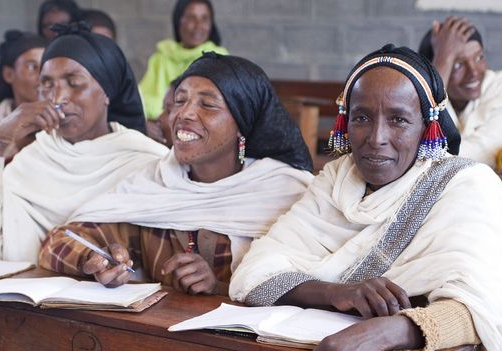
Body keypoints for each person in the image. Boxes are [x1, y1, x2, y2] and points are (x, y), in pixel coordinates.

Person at [230, 45, 502, 351]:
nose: (377, 137)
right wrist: (337, 292)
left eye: (398, 120)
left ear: (427, 126)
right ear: (345, 122)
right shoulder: (335, 179)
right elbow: (253, 274)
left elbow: (481, 309)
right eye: (362, 118)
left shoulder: (467, 185)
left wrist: (384, 333)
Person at [39, 53, 314, 296]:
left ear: (242, 124)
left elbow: (315, 281)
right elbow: (58, 243)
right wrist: (96, 259)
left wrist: (219, 288)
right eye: (179, 101)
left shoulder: (284, 193)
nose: (184, 113)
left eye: (207, 104)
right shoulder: (156, 184)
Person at [0, 22, 166, 263]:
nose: (58, 98)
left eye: (74, 82)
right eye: (47, 85)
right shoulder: (31, 162)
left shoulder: (147, 162)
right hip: (26, 295)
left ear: (107, 91)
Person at [417, 17, 502, 165]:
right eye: (457, 65)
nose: (474, 72)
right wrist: (444, 57)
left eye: (479, 57)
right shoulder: (415, 99)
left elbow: (482, 155)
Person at [138, 0, 229, 120]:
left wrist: (165, 114)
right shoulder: (161, 57)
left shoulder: (218, 59)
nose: (198, 26)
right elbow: (141, 101)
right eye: (191, 18)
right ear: (178, 21)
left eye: (204, 19)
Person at [0, 30, 48, 119]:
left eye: (46, 67)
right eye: (31, 67)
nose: (42, 76)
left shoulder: (67, 124)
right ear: (8, 74)